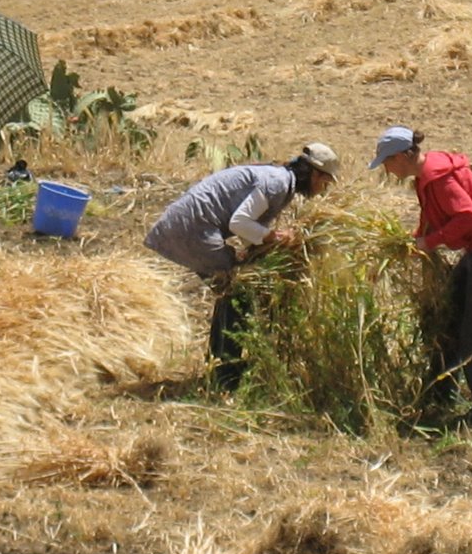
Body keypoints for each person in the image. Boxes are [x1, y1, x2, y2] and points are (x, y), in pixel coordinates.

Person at [144, 142, 340, 388]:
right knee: (236, 293)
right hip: (194, 227)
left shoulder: (280, 181)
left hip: (189, 225)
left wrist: (259, 247)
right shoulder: (277, 183)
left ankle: (219, 369)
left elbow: (248, 225)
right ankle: (226, 376)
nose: (323, 189)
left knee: (230, 294)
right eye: (325, 182)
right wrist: (275, 237)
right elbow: (240, 223)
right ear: (315, 174)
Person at [369, 126, 472, 427]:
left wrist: (430, 242)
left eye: (387, 162)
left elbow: (468, 217)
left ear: (401, 157)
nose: (386, 169)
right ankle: (442, 392)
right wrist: (413, 243)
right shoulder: (425, 177)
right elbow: (430, 219)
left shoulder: (439, 178)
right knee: (451, 316)